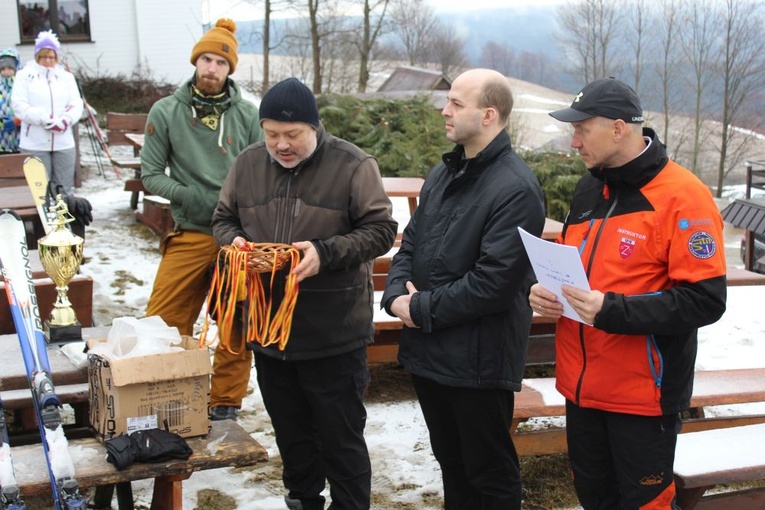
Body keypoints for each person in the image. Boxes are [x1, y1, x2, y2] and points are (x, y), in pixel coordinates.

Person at [529, 77, 727, 509]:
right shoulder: (588, 189)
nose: (573, 140)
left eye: (581, 128)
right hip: (580, 387)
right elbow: (573, 269)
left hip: (644, 398)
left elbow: (706, 300)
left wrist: (612, 310)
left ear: (618, 129)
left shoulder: (684, 196)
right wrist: (545, 293)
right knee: (594, 498)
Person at [212, 76, 397, 510]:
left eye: (292, 135)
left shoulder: (352, 164)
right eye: (272, 134)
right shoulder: (247, 163)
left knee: (341, 437)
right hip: (269, 332)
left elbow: (382, 230)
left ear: (314, 128)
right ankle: (303, 501)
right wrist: (234, 243)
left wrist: (325, 252)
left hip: (333, 332)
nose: (281, 145)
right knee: (292, 435)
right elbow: (222, 218)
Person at [382, 68, 546, 509]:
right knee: (452, 465)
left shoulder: (516, 188)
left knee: (488, 475)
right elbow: (410, 244)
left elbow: (494, 282)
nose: (445, 110)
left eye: (456, 103)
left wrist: (420, 309)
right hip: (430, 351)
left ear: (489, 115)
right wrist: (396, 294)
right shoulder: (444, 173)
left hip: (478, 360)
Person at [140, 18, 262, 421]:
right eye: (206, 59)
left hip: (237, 238)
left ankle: (225, 400)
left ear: (230, 70)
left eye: (221, 63)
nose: (212, 68)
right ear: (196, 62)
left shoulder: (247, 115)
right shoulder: (167, 111)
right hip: (191, 230)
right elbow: (151, 174)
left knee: (234, 318)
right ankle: (166, 391)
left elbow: (263, 172)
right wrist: (190, 195)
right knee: (163, 318)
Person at [11, 30, 83, 195]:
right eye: (43, 56)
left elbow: (75, 103)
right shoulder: (24, 76)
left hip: (63, 141)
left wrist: (65, 120)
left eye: (51, 57)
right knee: (40, 190)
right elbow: (19, 105)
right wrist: (44, 119)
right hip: (35, 142)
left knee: (64, 189)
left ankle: (65, 219)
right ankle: (41, 220)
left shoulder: (66, 77)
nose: (47, 61)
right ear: (37, 56)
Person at [0, 48, 21, 154]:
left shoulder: (21, 83)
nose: (6, 72)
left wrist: (19, 120)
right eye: (3, 69)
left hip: (19, 133)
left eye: (10, 68)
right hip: (2, 135)